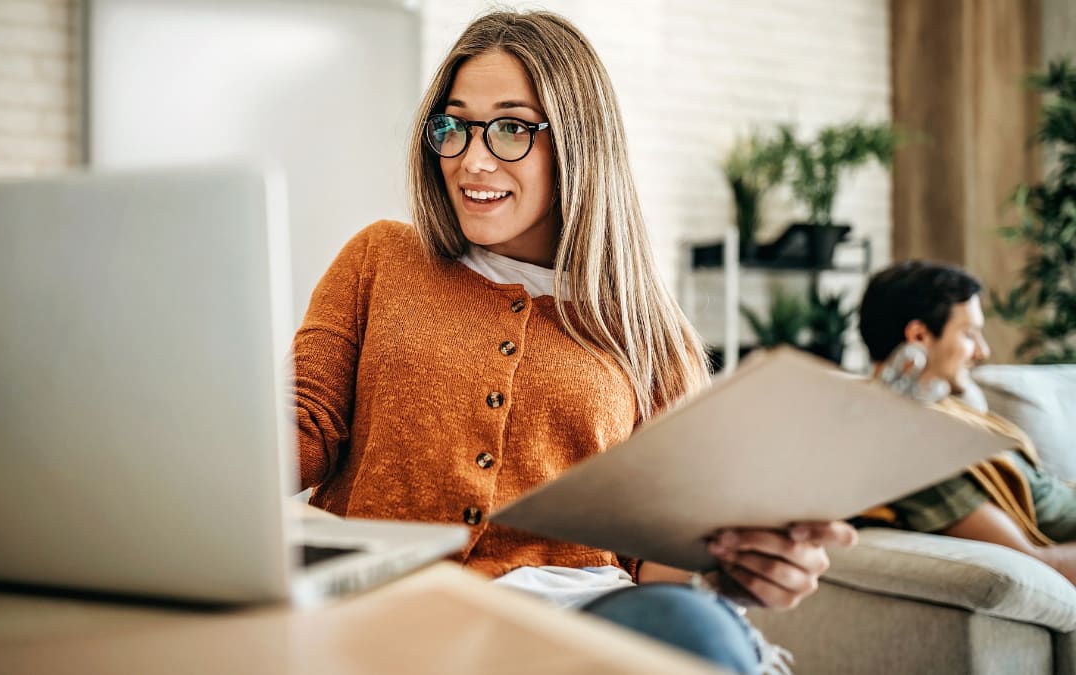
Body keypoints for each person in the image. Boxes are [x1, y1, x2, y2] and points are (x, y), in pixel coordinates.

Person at [294, 10, 855, 673]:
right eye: (454, 126)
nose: (472, 158)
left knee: (694, 625)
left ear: (577, 142)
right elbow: (300, 426)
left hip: (583, 626)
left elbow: (655, 556)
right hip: (400, 614)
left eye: (509, 127)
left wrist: (731, 563)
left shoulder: (650, 332)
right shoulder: (382, 258)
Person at [858, 260, 1076, 584]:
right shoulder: (915, 448)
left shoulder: (942, 413)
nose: (983, 351)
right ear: (918, 335)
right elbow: (1037, 567)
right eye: (969, 334)